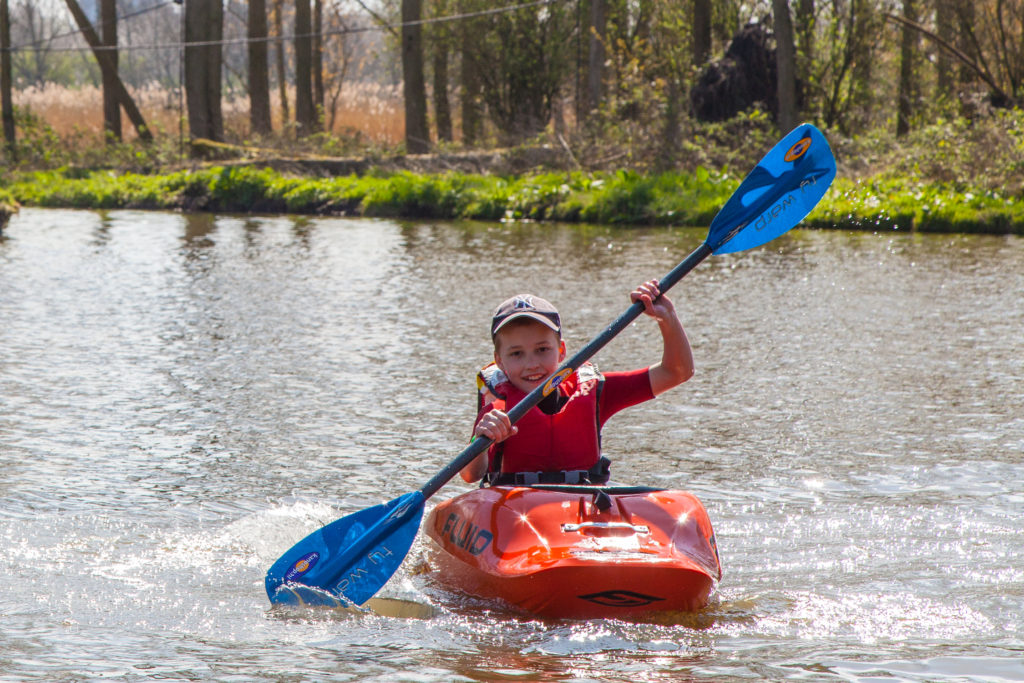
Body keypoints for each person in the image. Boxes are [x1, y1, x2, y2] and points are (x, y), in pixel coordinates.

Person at [460, 280, 694, 485]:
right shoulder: (495, 410)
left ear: (562, 351)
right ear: (499, 361)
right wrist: (481, 438)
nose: (532, 364)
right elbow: (471, 475)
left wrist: (667, 318)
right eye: (517, 354)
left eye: (542, 350)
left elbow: (676, 372)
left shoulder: (597, 391)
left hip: (581, 510)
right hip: (515, 514)